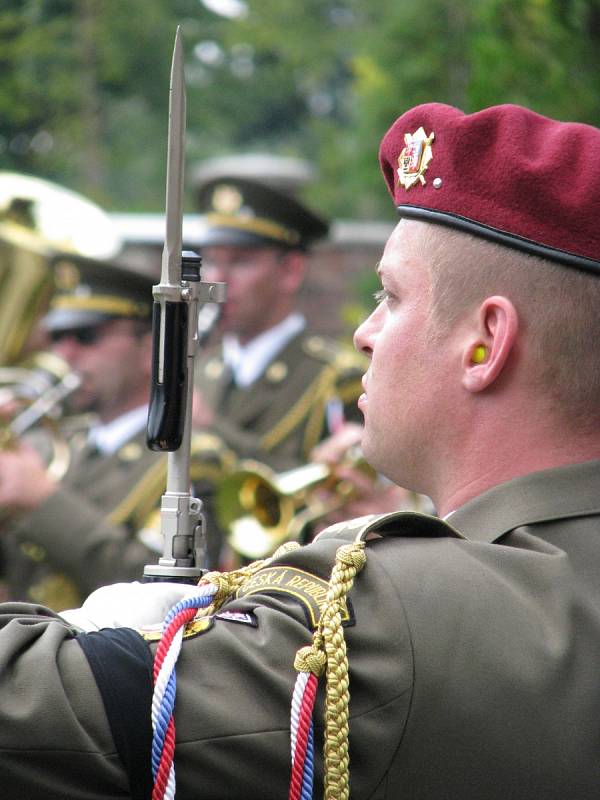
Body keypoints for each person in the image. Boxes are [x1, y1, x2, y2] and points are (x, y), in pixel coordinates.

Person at [0, 101, 599, 799]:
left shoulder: (378, 616)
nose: (364, 333)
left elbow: (28, 703)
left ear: (486, 342)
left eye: (389, 296)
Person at [190, 162, 367, 564]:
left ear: (290, 271)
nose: (218, 279)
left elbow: (335, 491)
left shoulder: (337, 379)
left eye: (240, 262)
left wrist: (210, 428)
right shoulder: (202, 368)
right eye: (212, 261)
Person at [0, 253, 167, 609]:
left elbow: (160, 587)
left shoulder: (188, 461)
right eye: (58, 336)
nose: (65, 353)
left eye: (86, 336)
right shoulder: (42, 447)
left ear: (150, 346)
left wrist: (42, 501)